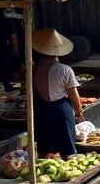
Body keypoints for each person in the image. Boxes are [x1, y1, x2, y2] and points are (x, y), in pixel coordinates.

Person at [31, 28, 83, 157]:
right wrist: (79, 112)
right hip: (60, 109)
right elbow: (73, 94)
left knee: (46, 147)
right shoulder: (64, 70)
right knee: (68, 146)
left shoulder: (35, 68)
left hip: (42, 109)